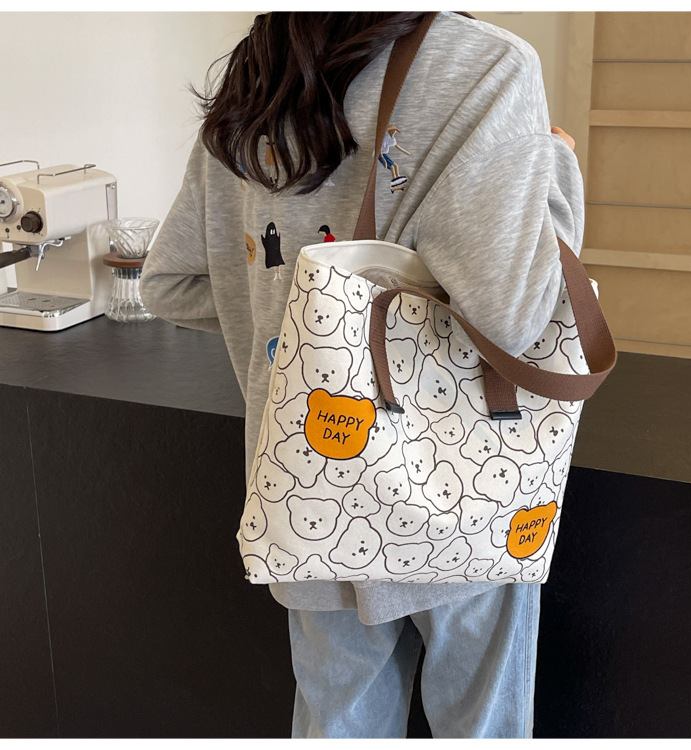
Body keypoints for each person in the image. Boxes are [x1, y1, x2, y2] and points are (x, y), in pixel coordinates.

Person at [140, 11, 584, 739]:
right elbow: (511, 315)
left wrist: (302, 332)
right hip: (460, 488)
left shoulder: (262, 64)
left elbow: (172, 283)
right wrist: (557, 166)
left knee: (336, 723)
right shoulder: (486, 64)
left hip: (310, 480)